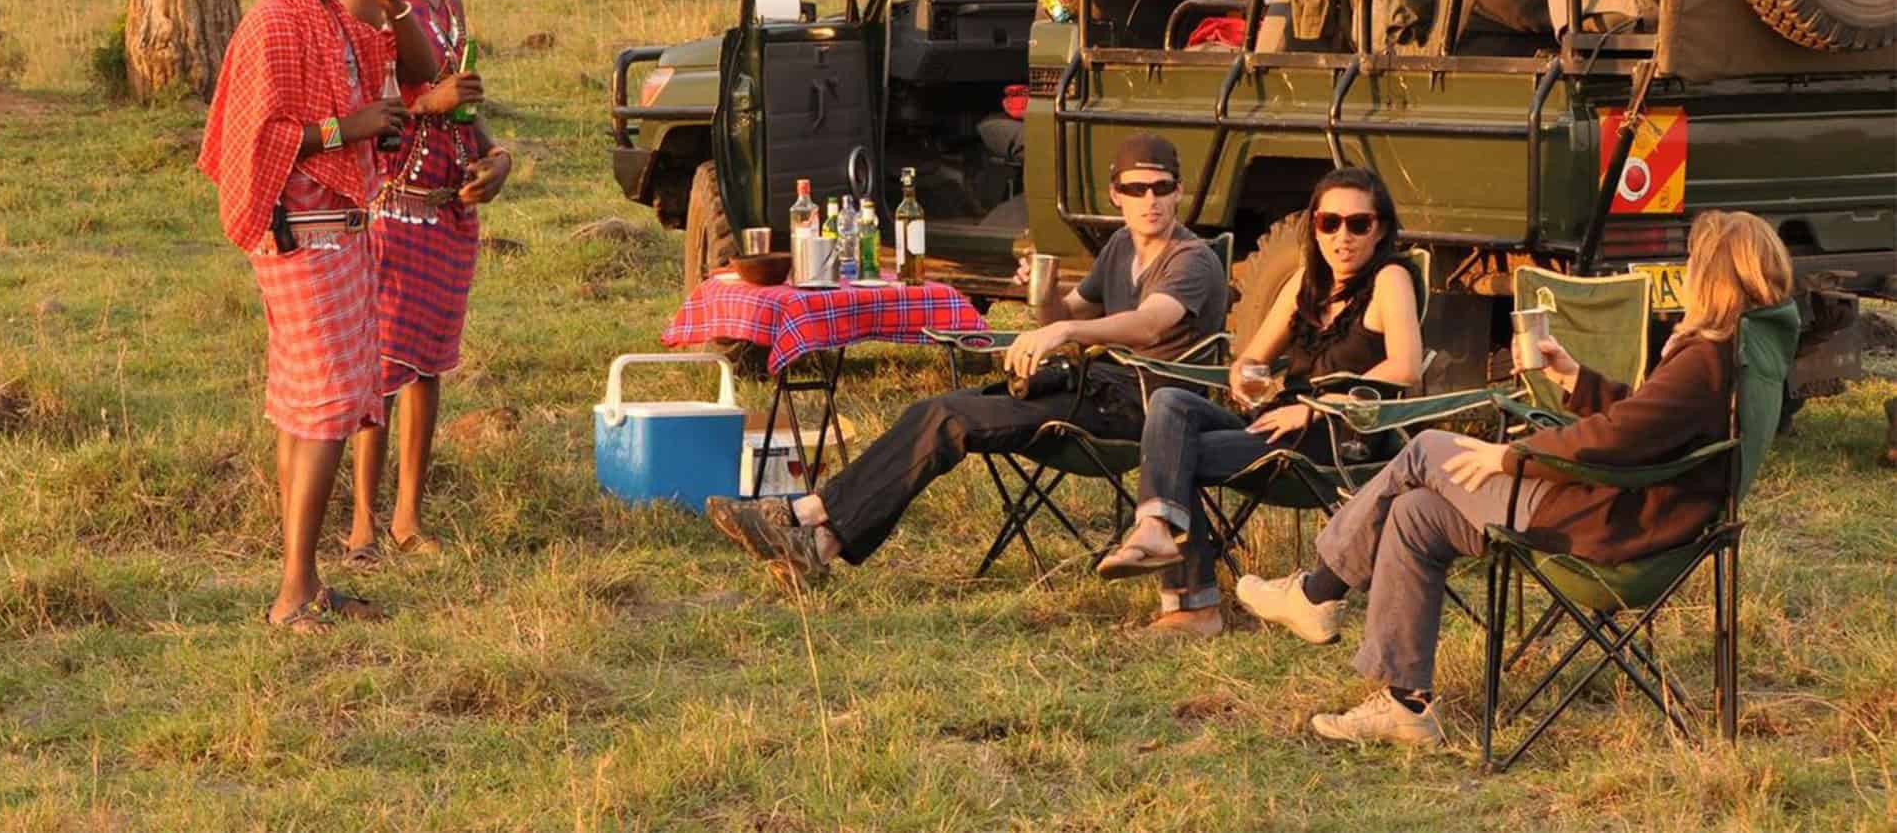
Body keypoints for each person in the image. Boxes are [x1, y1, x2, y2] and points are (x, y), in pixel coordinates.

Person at [1238, 209, 1793, 747]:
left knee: (1428, 447)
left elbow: (1619, 437)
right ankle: (1406, 706)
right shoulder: (1740, 350)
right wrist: (1574, 377)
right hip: (1629, 510)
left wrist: (1511, 456)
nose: (1689, 275)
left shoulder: (1707, 359)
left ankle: (1317, 591)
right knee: (1416, 515)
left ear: (1714, 276)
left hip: (1617, 530)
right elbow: (1647, 421)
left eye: (1696, 263)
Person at [706, 133, 1227, 583]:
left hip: (1148, 408)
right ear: (1116, 195)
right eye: (1136, 188)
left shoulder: (1191, 258)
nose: (1150, 200)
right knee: (934, 410)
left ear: (1179, 191)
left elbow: (1151, 322)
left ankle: (804, 514)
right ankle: (817, 545)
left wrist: (1068, 329)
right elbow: (1062, 312)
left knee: (948, 418)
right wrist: (1042, 299)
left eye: (1161, 187)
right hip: (1092, 388)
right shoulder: (1120, 247)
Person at [196, 0, 438, 633]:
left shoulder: (326, 16)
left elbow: (417, 70)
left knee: (308, 409)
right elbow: (256, 137)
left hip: (336, 229)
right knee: (327, 410)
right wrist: (349, 130)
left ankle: (306, 581)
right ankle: (293, 592)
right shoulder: (276, 24)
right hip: (305, 232)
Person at [1093, 165, 1425, 638]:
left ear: (1382, 229)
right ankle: (1157, 528)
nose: (1342, 237)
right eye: (1329, 223)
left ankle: (1194, 606)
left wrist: (1315, 406)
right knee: (1170, 401)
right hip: (1276, 424)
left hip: (1336, 437)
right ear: (1314, 226)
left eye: (1358, 224)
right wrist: (1246, 379)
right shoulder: (1306, 283)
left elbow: (1405, 367)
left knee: (1175, 456)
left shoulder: (1391, 278)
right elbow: (1250, 359)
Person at [343, 0, 513, 566]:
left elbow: (463, 106)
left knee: (428, 369)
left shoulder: (451, 5)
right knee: (381, 368)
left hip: (449, 212)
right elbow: (353, 96)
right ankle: (360, 526)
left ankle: (408, 520)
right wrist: (426, 107)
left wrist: (495, 158)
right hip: (393, 208)